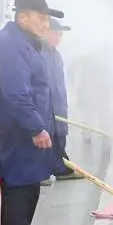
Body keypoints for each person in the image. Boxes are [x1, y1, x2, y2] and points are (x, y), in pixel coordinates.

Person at [0, 0, 64, 225]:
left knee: (25, 180)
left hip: (19, 127)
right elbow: (16, 92)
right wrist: (35, 127)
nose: (45, 25)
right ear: (23, 17)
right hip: (15, 130)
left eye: (47, 20)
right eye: (41, 18)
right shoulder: (10, 45)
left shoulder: (22, 42)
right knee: (20, 180)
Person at [42, 21, 82, 181]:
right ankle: (41, 173)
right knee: (45, 140)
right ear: (45, 32)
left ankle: (61, 170)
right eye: (55, 33)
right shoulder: (38, 53)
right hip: (45, 107)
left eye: (60, 35)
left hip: (58, 105)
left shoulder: (55, 55)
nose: (58, 38)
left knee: (59, 139)